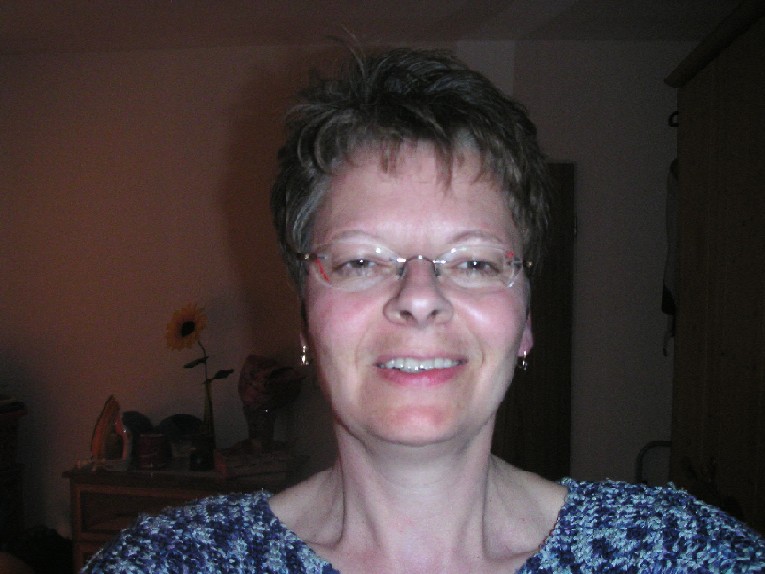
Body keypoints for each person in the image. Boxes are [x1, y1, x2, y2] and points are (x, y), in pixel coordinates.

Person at [83, 47, 765, 573]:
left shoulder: (681, 554)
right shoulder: (170, 563)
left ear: (525, 323)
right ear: (307, 318)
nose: (417, 296)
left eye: (474, 262)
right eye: (360, 261)